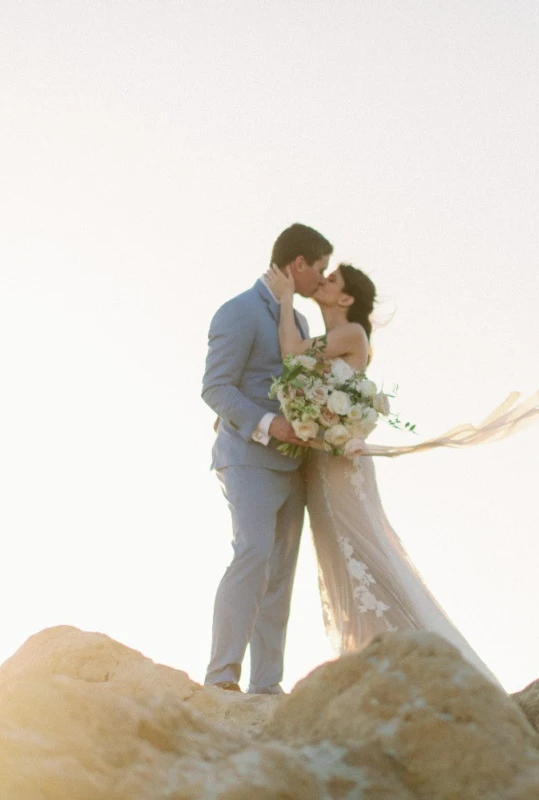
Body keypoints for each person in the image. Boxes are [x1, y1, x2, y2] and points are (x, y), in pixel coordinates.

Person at [262, 262, 503, 686]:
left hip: (342, 465)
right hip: (322, 458)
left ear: (347, 299)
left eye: (332, 279)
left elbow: (291, 353)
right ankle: (370, 659)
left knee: (363, 549)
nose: (323, 281)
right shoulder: (329, 337)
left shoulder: (353, 334)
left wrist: (284, 300)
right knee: (338, 553)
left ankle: (414, 659)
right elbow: (298, 361)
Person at [201, 223, 331, 694]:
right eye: (319, 269)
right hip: (247, 457)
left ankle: (266, 685)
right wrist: (268, 424)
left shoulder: (296, 322)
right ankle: (220, 678)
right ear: (298, 264)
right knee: (252, 554)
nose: (322, 279)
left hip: (294, 464)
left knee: (280, 576)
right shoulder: (237, 312)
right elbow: (215, 387)